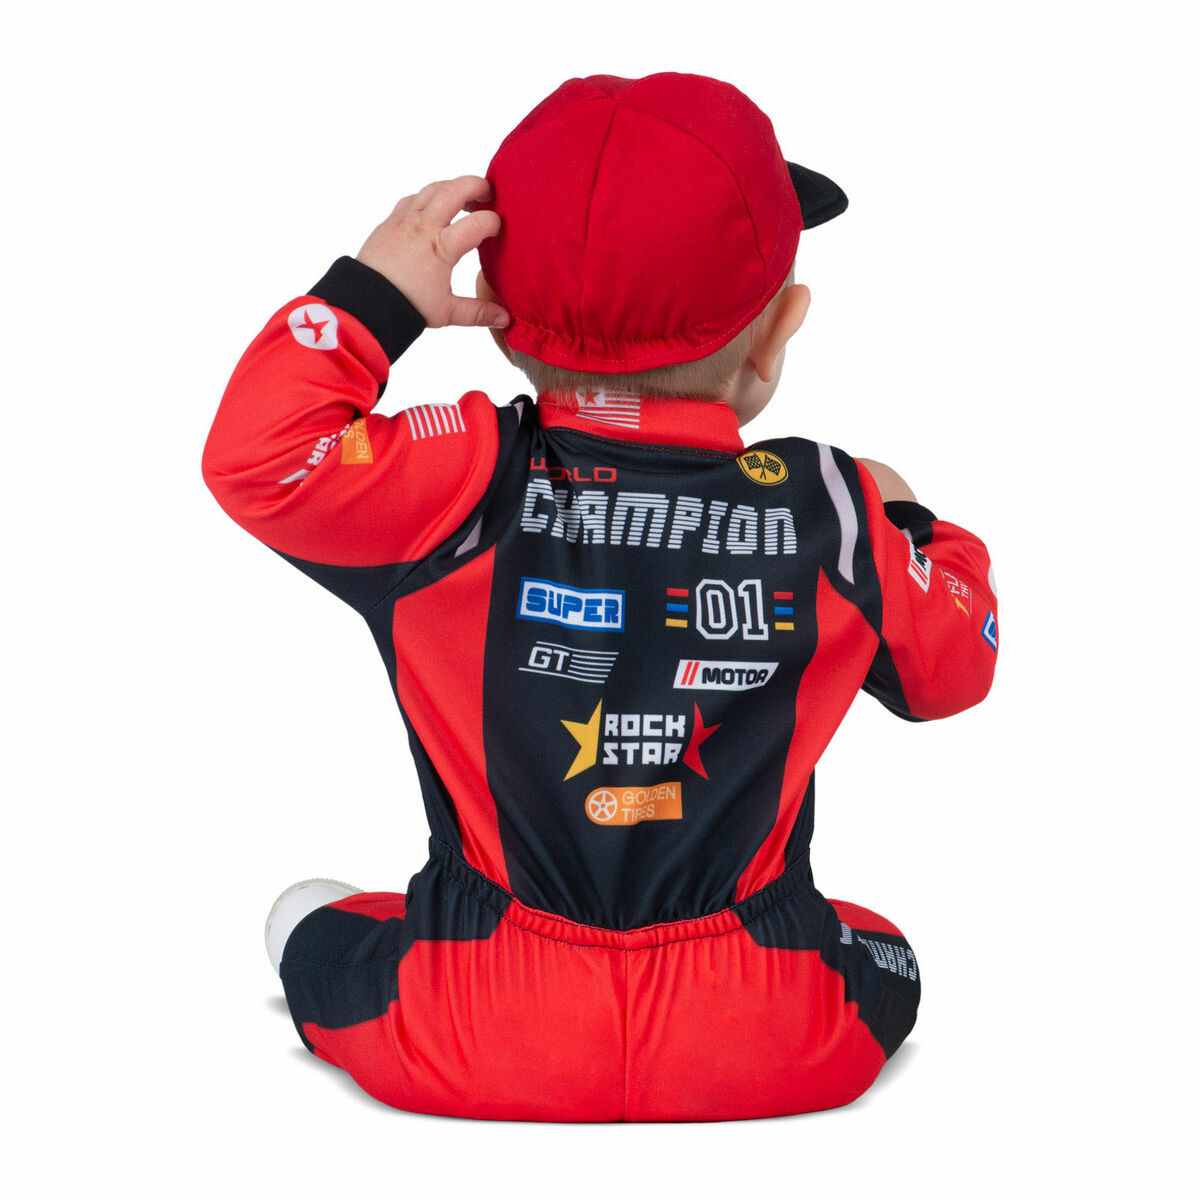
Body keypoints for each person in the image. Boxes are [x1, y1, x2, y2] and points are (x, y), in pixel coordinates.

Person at [202, 72, 998, 1122]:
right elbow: (955, 672)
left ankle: (344, 942)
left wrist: (375, 299)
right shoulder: (835, 511)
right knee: (886, 949)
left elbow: (261, 460)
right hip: (771, 1033)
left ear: (499, 326)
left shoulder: (454, 486)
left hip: (471, 1028)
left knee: (309, 920)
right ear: (779, 334)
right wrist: (905, 519)